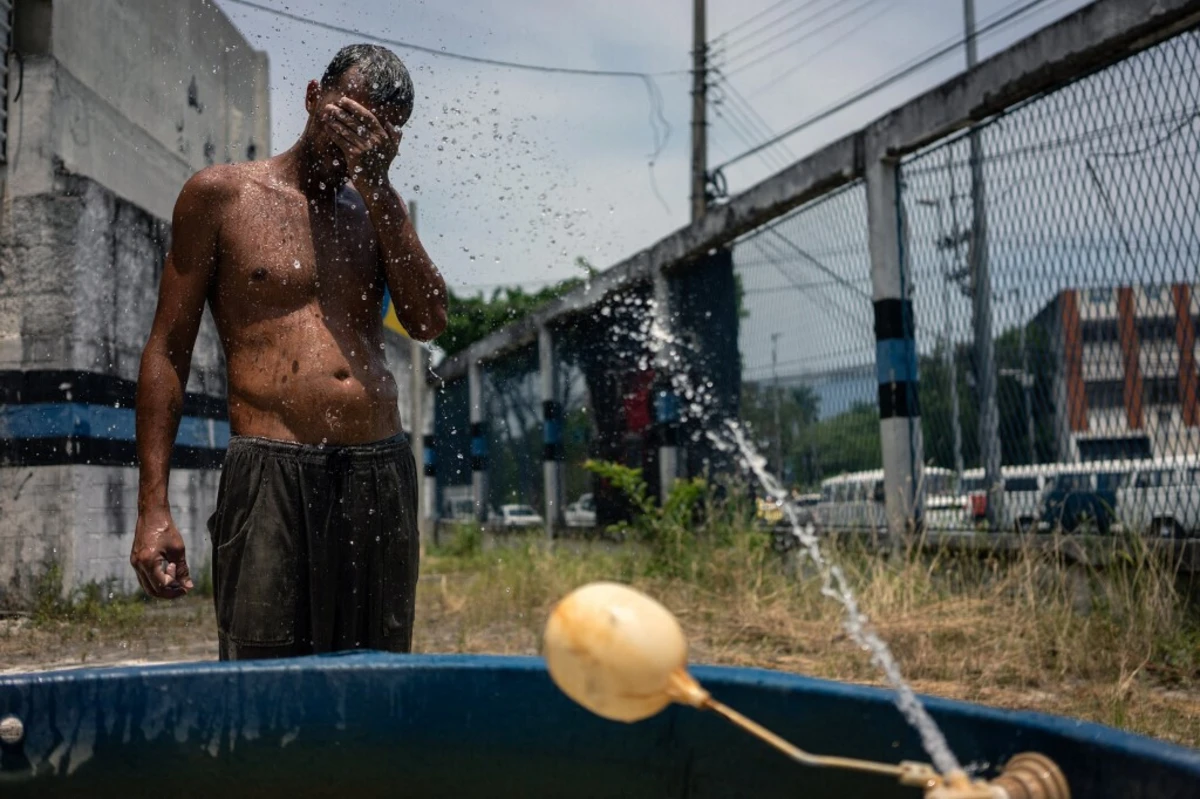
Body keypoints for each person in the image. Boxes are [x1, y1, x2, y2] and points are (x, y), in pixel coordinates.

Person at [130, 44, 447, 661]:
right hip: (271, 473)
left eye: (376, 130)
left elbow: (429, 320)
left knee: (374, 678)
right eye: (347, 116)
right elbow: (166, 350)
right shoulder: (222, 197)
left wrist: (379, 188)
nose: (355, 141)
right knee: (262, 682)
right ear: (311, 97)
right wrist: (153, 509)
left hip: (377, 470)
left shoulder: (379, 211)